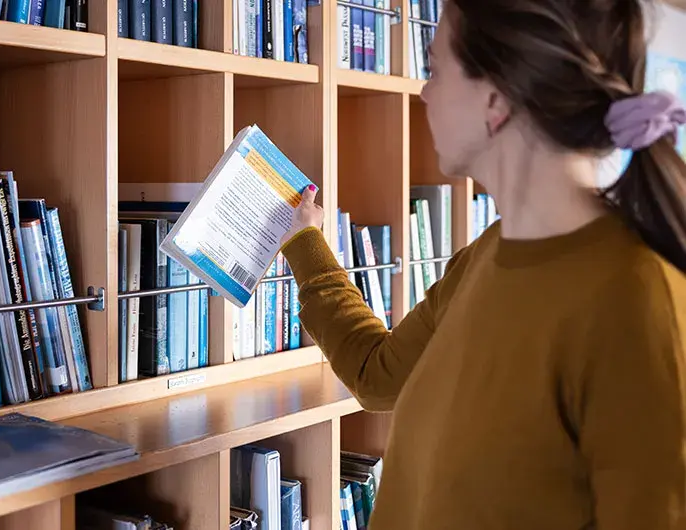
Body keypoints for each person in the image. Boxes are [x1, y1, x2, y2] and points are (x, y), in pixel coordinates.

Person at [278, 0, 686, 528]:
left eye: (434, 70)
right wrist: (306, 245)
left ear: (494, 101)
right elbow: (376, 377)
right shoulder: (485, 257)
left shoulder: (641, 302)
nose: (425, 91)